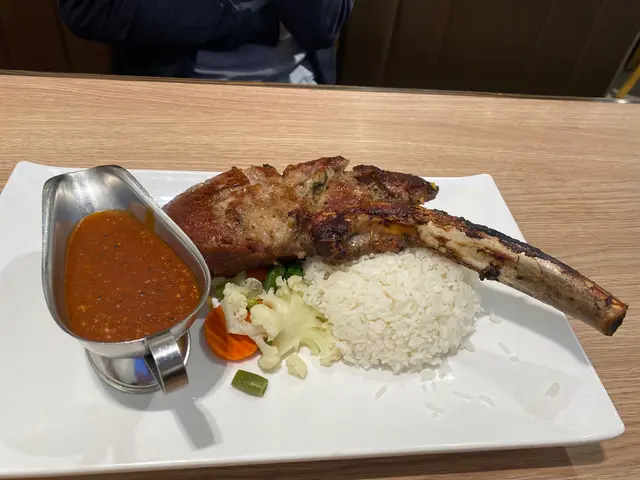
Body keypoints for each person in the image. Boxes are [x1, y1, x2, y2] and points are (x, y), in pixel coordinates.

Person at [58, 0, 353, 84]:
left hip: (300, 87)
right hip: (169, 92)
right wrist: (257, 23)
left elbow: (323, 25)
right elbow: (92, 9)